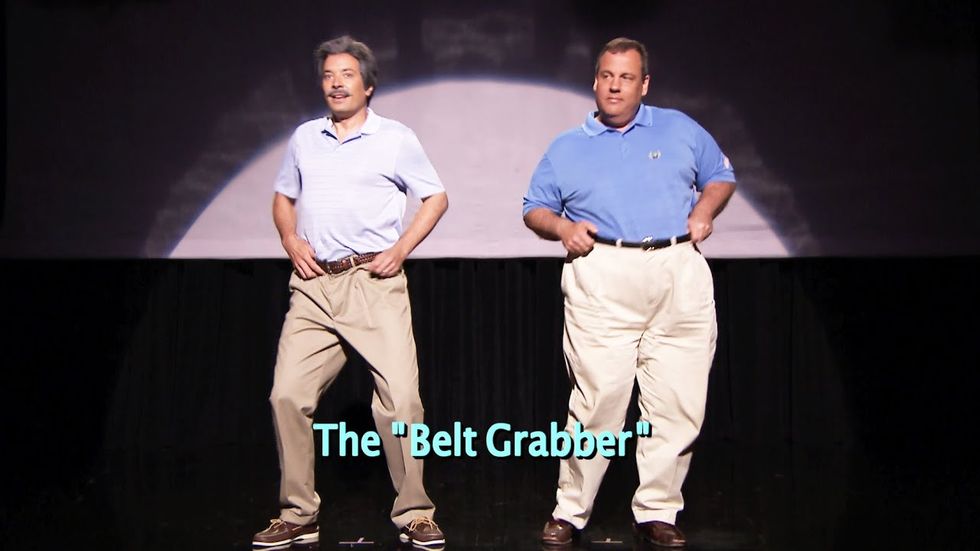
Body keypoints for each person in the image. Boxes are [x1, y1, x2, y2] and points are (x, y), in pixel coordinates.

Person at [523, 37, 736, 548]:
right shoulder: (567, 146)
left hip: (676, 267)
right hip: (604, 270)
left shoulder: (679, 128)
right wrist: (562, 228)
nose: (615, 86)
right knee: (598, 401)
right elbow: (534, 208)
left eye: (626, 77)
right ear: (595, 82)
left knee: (678, 402)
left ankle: (659, 510)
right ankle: (571, 511)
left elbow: (720, 176)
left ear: (644, 85)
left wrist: (704, 210)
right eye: (606, 76)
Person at [252, 35, 448, 550]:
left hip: (372, 285)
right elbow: (283, 198)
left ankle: (415, 512)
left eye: (346, 75)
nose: (336, 83)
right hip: (315, 286)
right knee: (287, 395)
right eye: (328, 75)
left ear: (368, 85)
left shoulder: (395, 138)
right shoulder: (305, 138)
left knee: (401, 401)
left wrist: (401, 249)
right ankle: (298, 513)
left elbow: (435, 197)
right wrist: (289, 238)